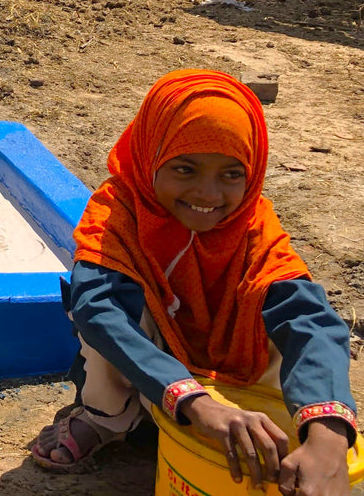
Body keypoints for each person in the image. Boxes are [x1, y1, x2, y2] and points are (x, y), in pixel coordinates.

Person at [32, 69, 357, 494]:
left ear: (252, 172)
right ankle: (106, 420)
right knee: (104, 314)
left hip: (228, 372)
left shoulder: (253, 226)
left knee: (282, 319)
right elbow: (99, 311)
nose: (208, 194)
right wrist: (196, 403)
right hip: (154, 371)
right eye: (184, 169)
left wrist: (329, 435)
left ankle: (271, 426)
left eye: (231, 174)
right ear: (150, 156)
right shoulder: (120, 214)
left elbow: (311, 320)